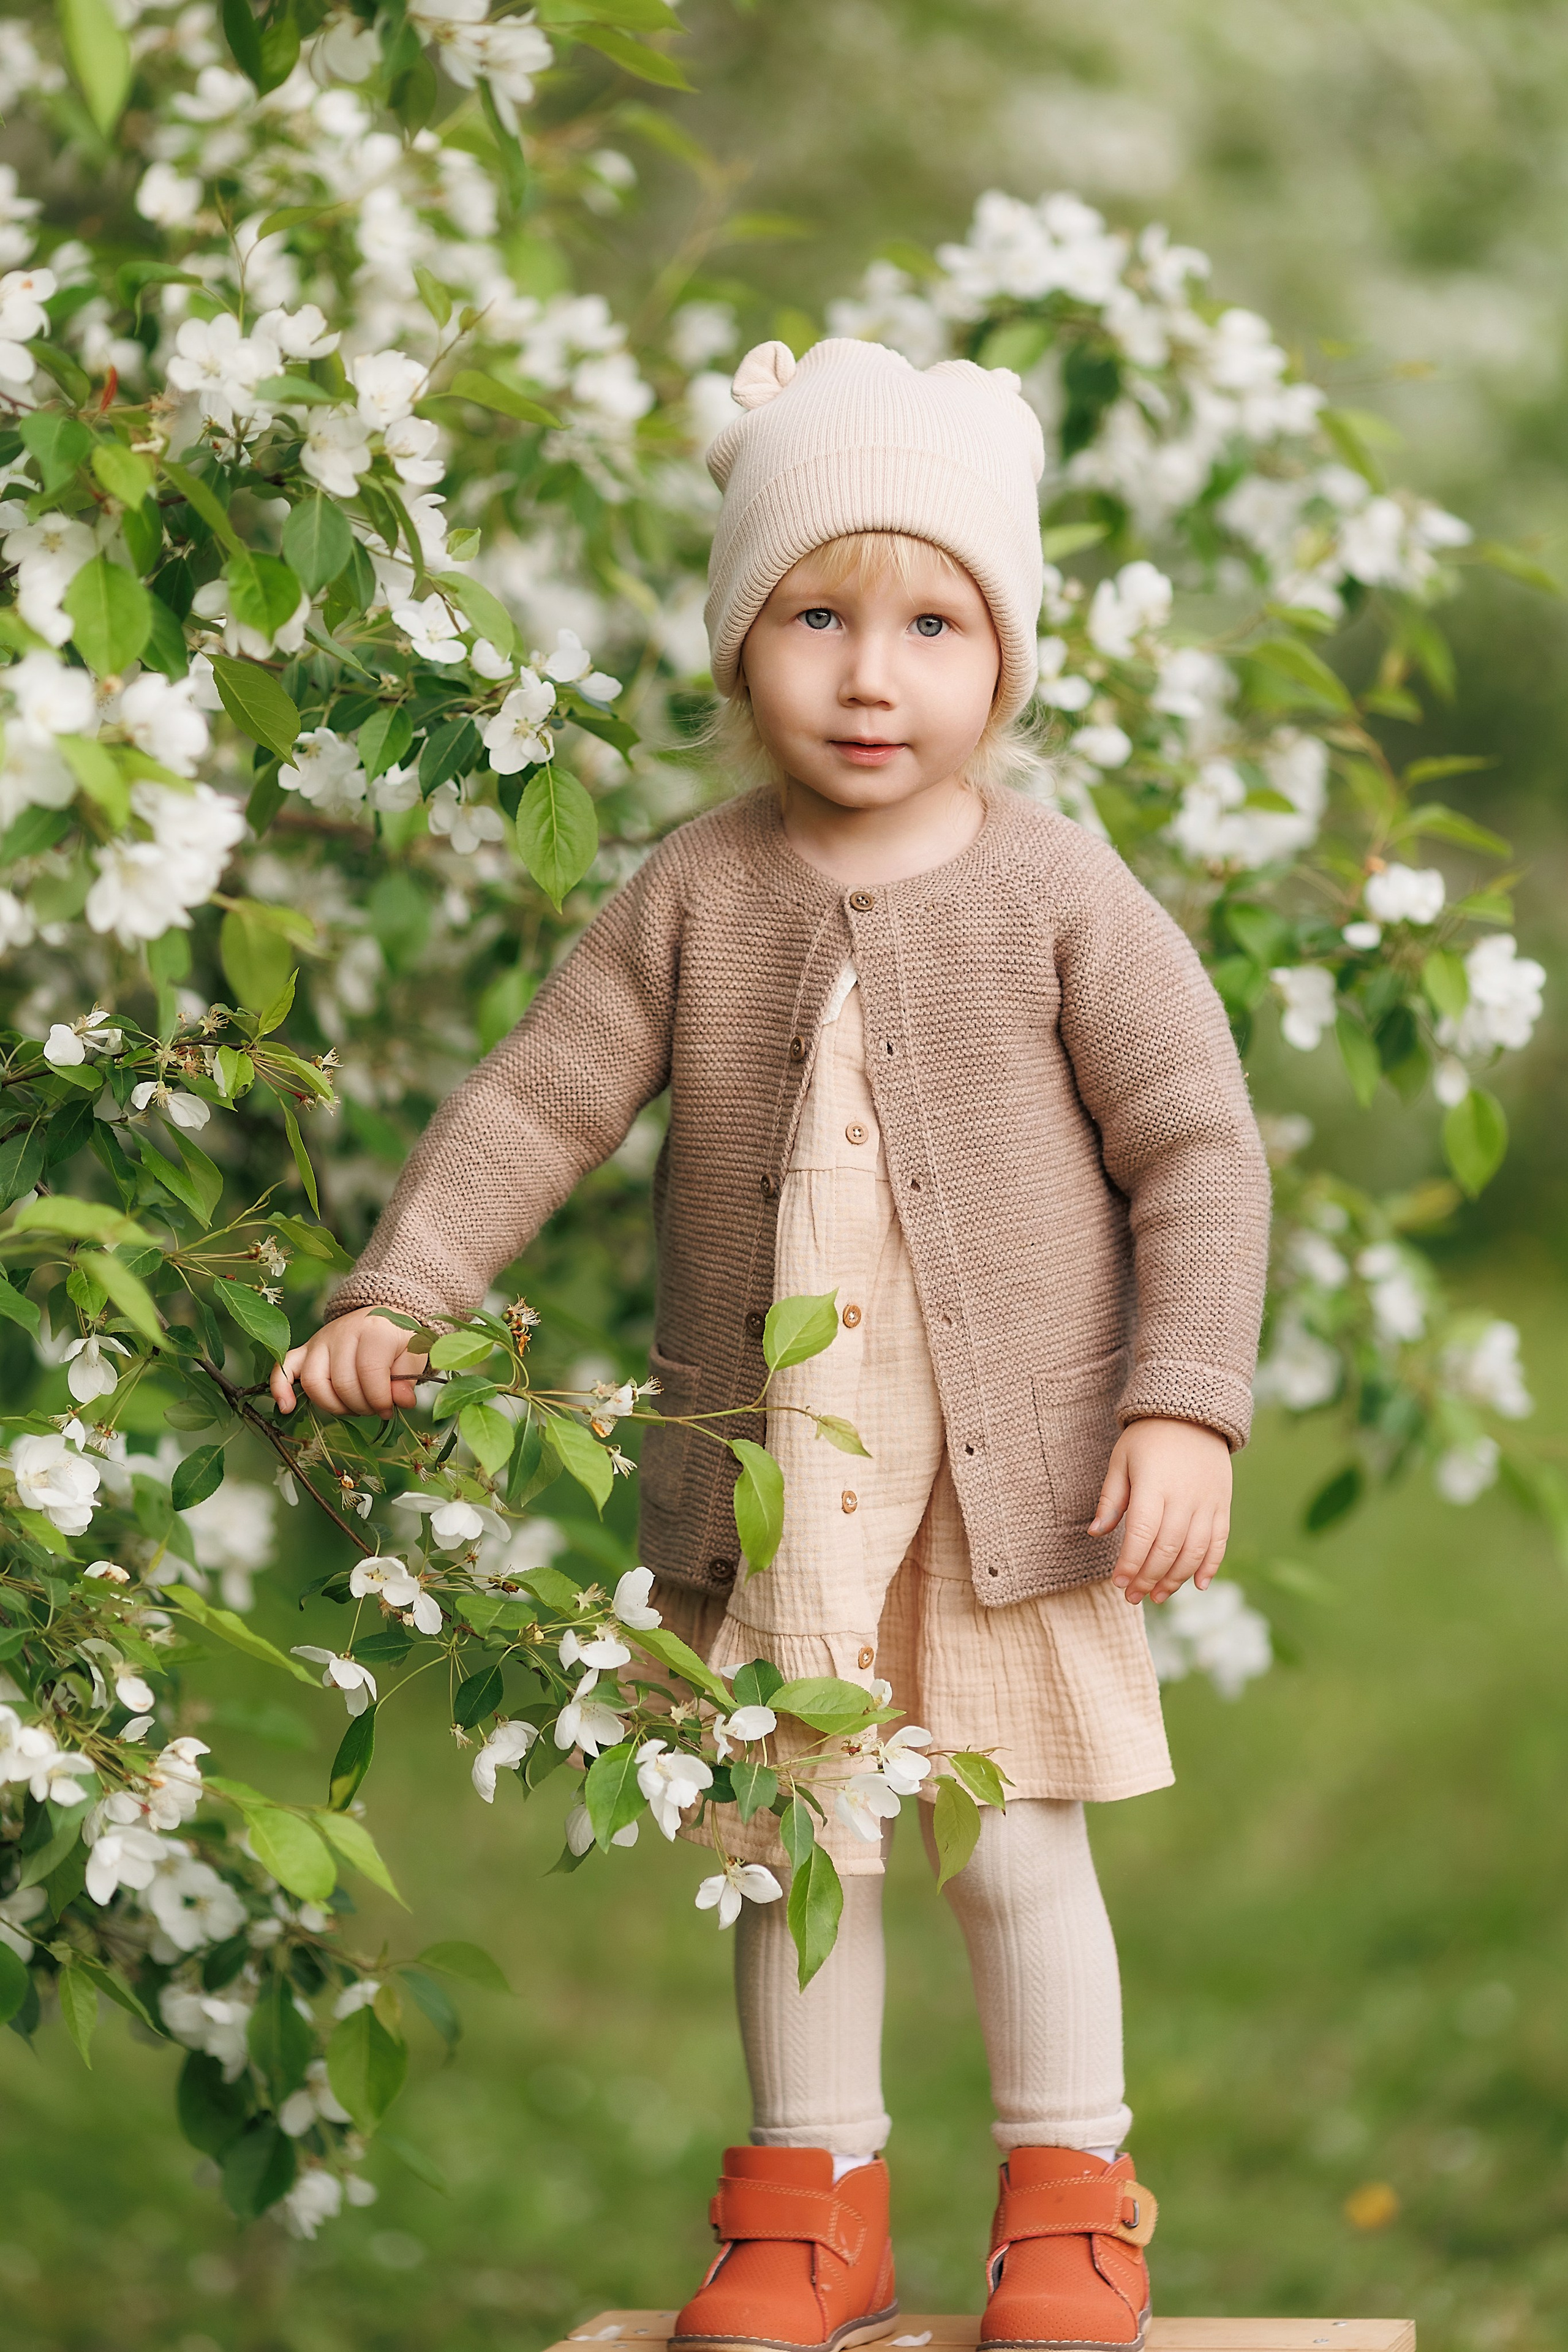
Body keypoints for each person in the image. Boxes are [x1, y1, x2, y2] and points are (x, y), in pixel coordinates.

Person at [273, 337, 1271, 2352]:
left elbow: (1198, 1149)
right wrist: (405, 1288)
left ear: (1008, 660)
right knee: (792, 1842)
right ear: (740, 647)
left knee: (1007, 1852)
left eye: (930, 623)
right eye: (817, 617)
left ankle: (1075, 2202)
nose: (873, 673)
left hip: (1012, 1494)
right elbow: (540, 1097)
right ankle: (808, 2208)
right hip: (779, 1485)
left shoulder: (1061, 894)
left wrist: (1185, 1408)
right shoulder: (698, 893)